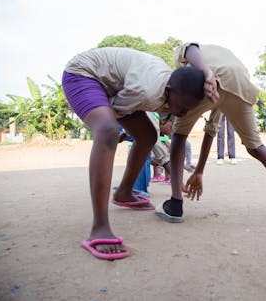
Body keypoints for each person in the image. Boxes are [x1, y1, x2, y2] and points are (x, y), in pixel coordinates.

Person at [62, 46, 216, 260]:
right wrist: (113, 136)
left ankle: (124, 192)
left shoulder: (165, 88)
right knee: (107, 131)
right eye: (182, 107)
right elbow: (114, 112)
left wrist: (208, 74)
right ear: (170, 90)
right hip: (83, 74)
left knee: (147, 136)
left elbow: (191, 51)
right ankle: (99, 227)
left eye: (189, 109)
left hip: (114, 86)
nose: (183, 113)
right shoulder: (148, 91)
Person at [154, 42, 266, 223]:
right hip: (240, 85)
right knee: (256, 147)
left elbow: (189, 49)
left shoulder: (186, 58)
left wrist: (207, 73)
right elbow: (211, 129)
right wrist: (199, 171)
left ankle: (176, 204)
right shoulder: (225, 55)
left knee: (178, 136)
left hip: (210, 81)